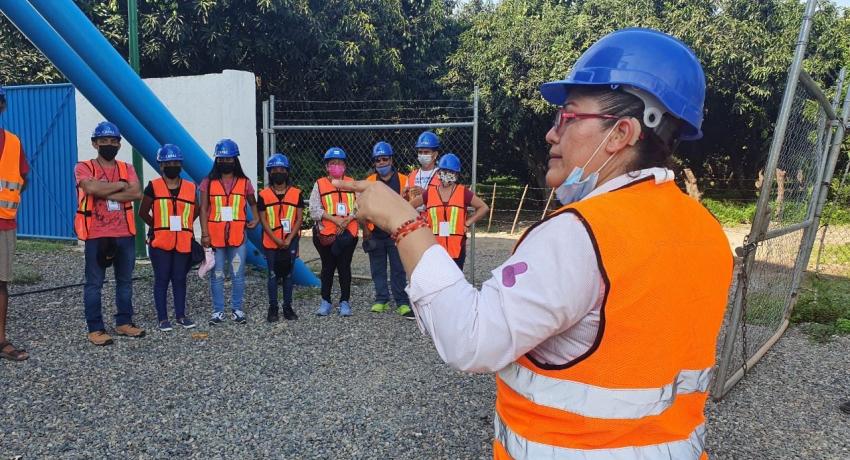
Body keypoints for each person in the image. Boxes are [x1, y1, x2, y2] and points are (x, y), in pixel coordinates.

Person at [337, 28, 734, 459]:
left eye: (567, 117)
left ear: (620, 133)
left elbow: (471, 340)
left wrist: (402, 221)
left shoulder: (581, 233)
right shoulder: (706, 231)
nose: (551, 134)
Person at [74, 121, 145, 345]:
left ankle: (124, 322)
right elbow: (91, 188)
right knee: (94, 284)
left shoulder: (127, 168)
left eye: (113, 141)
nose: (109, 145)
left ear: (119, 144)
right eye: (103, 141)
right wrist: (121, 185)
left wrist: (104, 190)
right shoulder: (84, 167)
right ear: (95, 144)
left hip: (124, 233)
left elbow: (137, 193)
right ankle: (95, 329)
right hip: (96, 234)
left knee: (125, 281)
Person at [138, 144, 198, 332]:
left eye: (175, 162)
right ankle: (163, 318)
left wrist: (184, 226)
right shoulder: (153, 186)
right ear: (161, 165)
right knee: (162, 278)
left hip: (182, 241)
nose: (172, 166)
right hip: (160, 242)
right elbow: (143, 212)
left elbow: (195, 210)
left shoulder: (190, 187)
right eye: (168, 163)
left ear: (181, 164)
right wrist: (157, 226)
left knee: (180, 278)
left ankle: (181, 315)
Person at [199, 138, 259, 325]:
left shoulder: (244, 182)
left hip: (237, 238)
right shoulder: (208, 182)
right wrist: (204, 234)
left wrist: (256, 218)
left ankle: (237, 310)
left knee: (237, 275)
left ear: (235, 160)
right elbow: (203, 209)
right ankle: (218, 311)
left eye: (229, 159)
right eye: (222, 159)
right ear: (217, 160)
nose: (225, 162)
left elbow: (253, 202)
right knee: (217, 275)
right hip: (215, 238)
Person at [410, 153, 488, 270]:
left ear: (456, 174)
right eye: (443, 171)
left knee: (455, 278)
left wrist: (468, 223)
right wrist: (420, 223)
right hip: (434, 247)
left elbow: (483, 207)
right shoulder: (430, 193)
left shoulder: (463, 192)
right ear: (438, 172)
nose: (446, 174)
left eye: (450, 172)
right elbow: (409, 206)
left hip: (456, 247)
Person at [363, 141, 413, 319]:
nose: (382, 162)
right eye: (378, 160)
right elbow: (363, 207)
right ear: (374, 162)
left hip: (396, 232)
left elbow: (410, 205)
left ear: (391, 160)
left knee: (398, 268)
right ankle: (381, 298)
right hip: (375, 232)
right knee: (378, 267)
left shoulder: (404, 180)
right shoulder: (369, 182)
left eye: (385, 159)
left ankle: (402, 301)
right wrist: (365, 230)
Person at [309, 147, 358, 317]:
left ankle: (345, 301)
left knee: (344, 267)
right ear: (327, 167)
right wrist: (335, 220)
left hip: (348, 233)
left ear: (345, 166)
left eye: (339, 163)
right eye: (332, 163)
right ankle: (325, 301)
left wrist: (348, 219)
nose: (336, 166)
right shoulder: (320, 184)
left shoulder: (352, 183)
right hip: (326, 234)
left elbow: (359, 206)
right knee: (327, 267)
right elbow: (314, 209)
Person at [0, 86, 30, 361]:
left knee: (1, 282)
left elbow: (23, 178)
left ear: (3, 106)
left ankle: (1, 340)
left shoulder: (12, 142)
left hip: (3, 224)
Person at [258, 153, 303, 322]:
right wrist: (276, 239)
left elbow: (299, 218)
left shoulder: (296, 193)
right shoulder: (263, 195)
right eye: (275, 170)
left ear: (287, 172)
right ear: (270, 172)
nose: (278, 172)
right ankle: (273, 307)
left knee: (288, 275)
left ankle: (287, 307)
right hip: (271, 241)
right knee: (272, 275)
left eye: (282, 169)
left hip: (291, 240)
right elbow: (263, 219)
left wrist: (289, 239)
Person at [404, 131, 441, 214]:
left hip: (434, 217)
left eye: (426, 152)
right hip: (414, 217)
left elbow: (446, 198)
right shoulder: (412, 175)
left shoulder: (441, 175)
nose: (422, 155)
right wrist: (404, 195)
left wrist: (425, 194)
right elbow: (406, 201)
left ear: (435, 154)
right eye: (420, 152)